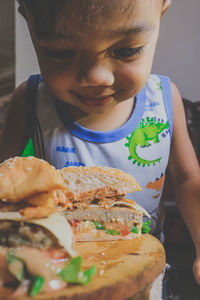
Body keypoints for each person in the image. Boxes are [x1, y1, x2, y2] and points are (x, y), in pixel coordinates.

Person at [0, 0, 200, 286]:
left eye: (126, 50)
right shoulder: (30, 100)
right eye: (61, 53)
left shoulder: (165, 99)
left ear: (162, 10)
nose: (97, 77)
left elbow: (188, 179)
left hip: (143, 272)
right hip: (57, 276)